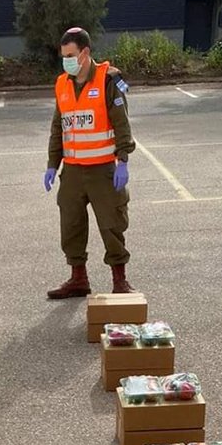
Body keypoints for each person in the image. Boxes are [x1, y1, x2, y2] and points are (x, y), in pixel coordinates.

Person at [43, 27, 135, 299]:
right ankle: (78, 278)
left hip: (104, 170)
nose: (66, 61)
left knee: (112, 224)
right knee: (71, 224)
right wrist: (52, 163)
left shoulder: (109, 80)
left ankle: (120, 280)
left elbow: (122, 123)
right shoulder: (62, 83)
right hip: (72, 171)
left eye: (70, 55)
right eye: (63, 56)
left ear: (85, 53)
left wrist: (123, 160)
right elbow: (58, 126)